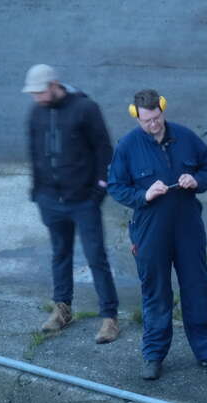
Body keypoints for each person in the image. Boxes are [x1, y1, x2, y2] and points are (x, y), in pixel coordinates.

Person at [107, 89, 207, 380]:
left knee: (197, 288)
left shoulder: (186, 138)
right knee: (156, 293)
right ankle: (153, 356)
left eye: (157, 117)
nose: (154, 124)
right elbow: (115, 186)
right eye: (147, 120)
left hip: (187, 227)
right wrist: (143, 194)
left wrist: (196, 180)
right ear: (137, 117)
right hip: (150, 231)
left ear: (163, 110)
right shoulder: (127, 146)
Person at [23, 63, 121, 344]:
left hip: (83, 201)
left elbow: (104, 149)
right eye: (33, 94)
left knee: (95, 258)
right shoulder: (36, 113)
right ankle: (62, 309)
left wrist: (99, 190)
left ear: (54, 85)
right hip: (50, 201)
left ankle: (109, 318)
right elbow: (33, 150)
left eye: (40, 92)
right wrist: (37, 191)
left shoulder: (85, 109)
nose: (37, 98)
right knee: (60, 254)